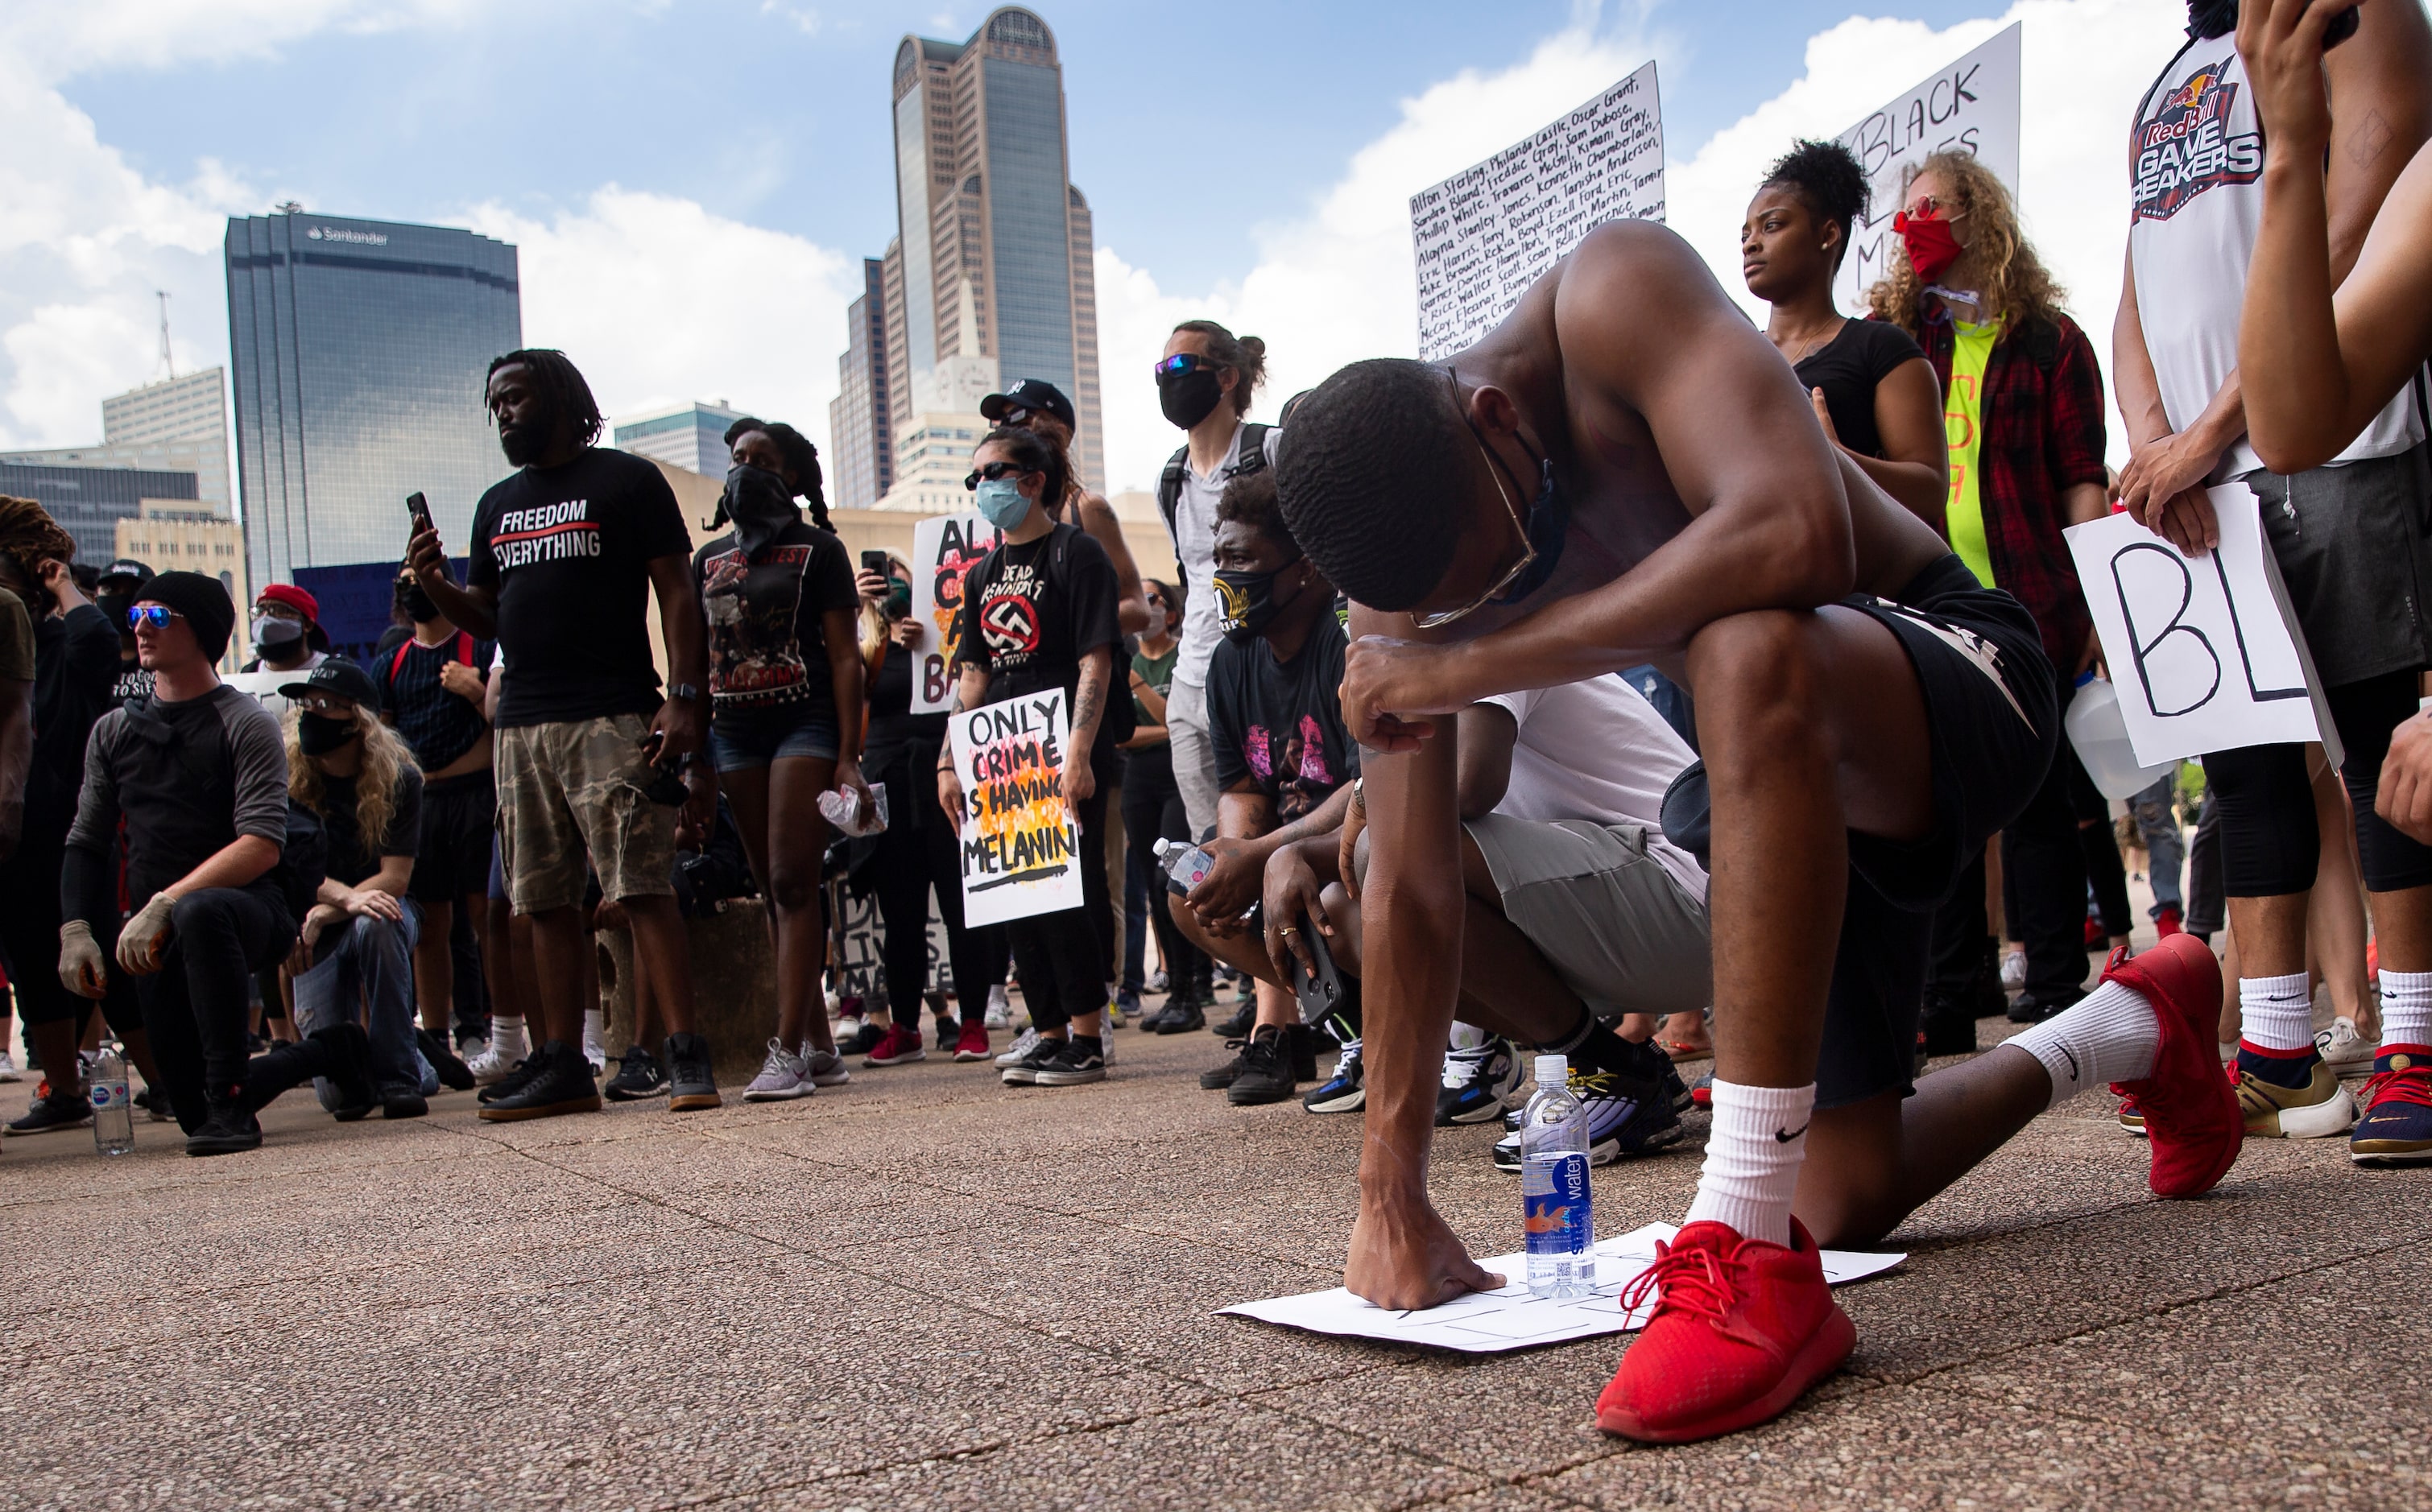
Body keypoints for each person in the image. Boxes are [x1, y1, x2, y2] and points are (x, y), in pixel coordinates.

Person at [1272, 218, 2242, 1443]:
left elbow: (1796, 532)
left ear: (1497, 421)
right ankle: (2134, 1021)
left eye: (1492, 575)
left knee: (1746, 634)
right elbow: (1409, 887)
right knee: (1843, 1190)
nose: (1475, 607)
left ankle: (1742, 1247)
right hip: (1777, 785)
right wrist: (1388, 1192)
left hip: (1950, 671)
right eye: (1448, 607)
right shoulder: (1406, 543)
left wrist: (1465, 654)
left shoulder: (1616, 297)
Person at [2126, 0, 2432, 1162]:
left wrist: (2214, 425)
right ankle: (2277, 1047)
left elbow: (2365, 220)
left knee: (2380, 743)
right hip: (2210, 481)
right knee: (2248, 770)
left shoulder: (2361, 12)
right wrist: (2158, 442)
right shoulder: (2167, 78)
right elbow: (2137, 283)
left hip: (2345, 445)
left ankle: (2413, 1036)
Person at [406, 348, 722, 1119]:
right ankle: (561, 1064)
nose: (503, 413)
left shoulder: (625, 480)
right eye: (495, 404)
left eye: (514, 397)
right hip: (522, 725)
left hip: (610, 710)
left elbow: (677, 590)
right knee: (540, 899)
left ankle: (682, 1053)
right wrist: (439, 585)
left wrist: (685, 698)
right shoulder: (495, 505)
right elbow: (492, 616)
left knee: (641, 883)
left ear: (556, 396)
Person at [1866, 150, 2120, 1048]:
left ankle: (2052, 981)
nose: (1911, 226)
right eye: (1903, 215)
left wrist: (2095, 600)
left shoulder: (2051, 340)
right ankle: (1949, 992)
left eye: (1929, 208)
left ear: (1977, 215)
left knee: (2042, 798)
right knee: (1941, 801)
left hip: (2031, 596)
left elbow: (2080, 479)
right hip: (1927, 601)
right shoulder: (1900, 339)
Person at [1282, 672, 1710, 1147]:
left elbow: (1464, 786)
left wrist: (1368, 777)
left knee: (1398, 855)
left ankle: (1605, 1072)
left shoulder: (1482, 617)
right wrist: (1287, 854)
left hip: (1687, 906)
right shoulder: (1429, 647)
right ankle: (1613, 1066)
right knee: (1346, 915)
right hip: (1628, 915)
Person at [57, 572, 377, 1155]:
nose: (140, 630)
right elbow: (86, 839)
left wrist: (164, 902)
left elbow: (261, 843)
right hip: (159, 930)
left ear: (199, 630)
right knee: (190, 1110)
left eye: (156, 618)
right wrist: (76, 927)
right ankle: (331, 1050)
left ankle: (235, 1103)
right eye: (134, 618)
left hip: (251, 908)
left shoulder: (242, 721)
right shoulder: (114, 731)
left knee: (202, 912)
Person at [938, 426, 1123, 1089]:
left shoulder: (1079, 555)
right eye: (976, 477)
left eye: (994, 472)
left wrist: (1078, 753)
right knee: (1013, 891)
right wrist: (948, 761)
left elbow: (1094, 657)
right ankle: (1046, 1031)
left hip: (1062, 744)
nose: (982, 487)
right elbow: (973, 676)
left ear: (1032, 479)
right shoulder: (981, 574)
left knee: (1065, 892)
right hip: (1000, 754)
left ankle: (1085, 1034)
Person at [1168, 472, 1359, 1105]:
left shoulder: (1348, 638)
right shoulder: (1231, 660)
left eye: (1242, 559)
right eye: (1219, 558)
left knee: (1312, 875)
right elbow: (1244, 787)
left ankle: (1359, 1019)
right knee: (1188, 885)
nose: (1226, 577)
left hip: (1349, 845)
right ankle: (1313, 1019)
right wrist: (1231, 862)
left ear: (1304, 567)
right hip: (1281, 847)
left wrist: (1268, 853)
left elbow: (1373, 785)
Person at [691, 419, 868, 1100]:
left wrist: (848, 755)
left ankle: (787, 1050)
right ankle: (820, 1045)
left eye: (761, 459)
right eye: (737, 458)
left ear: (790, 477)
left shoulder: (819, 551)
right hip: (735, 731)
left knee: (795, 882)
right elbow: (700, 656)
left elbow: (846, 656)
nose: (745, 468)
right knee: (772, 889)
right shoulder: (708, 558)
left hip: (806, 721)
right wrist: (698, 761)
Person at [0, 499, 172, 1132]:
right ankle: (66, 1090)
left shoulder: (65, 638)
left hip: (75, 823)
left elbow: (102, 638)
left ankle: (163, 1081)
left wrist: (60, 581)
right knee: (29, 958)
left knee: (102, 951)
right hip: (15, 833)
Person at [1739, 139, 1945, 523]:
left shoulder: (1881, 346)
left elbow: (1930, 494)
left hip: (1852, 578)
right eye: (1746, 234)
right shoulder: (1733, 361)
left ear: (1828, 235)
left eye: (1772, 226)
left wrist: (1839, 461)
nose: (1752, 243)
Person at [276, 659, 436, 1119]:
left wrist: (335, 907)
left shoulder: (399, 778)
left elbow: (395, 878)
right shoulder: (286, 775)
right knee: (341, 1097)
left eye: (326, 705)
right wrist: (334, 903)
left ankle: (401, 1077)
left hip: (370, 911)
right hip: (312, 923)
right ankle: (411, 1053)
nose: (311, 714)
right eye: (307, 704)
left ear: (359, 721)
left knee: (379, 922)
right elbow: (285, 866)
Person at [853, 551, 994, 1066]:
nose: (890, 588)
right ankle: (904, 1025)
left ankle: (973, 1021)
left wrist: (929, 643)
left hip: (943, 776)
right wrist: (866, 622)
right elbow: (846, 692)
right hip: (889, 779)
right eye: (881, 580)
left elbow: (971, 681)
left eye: (901, 581)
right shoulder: (860, 641)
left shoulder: (942, 637)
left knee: (961, 905)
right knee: (901, 913)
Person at [1152, 320, 1280, 853]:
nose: (1167, 379)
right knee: (1211, 848)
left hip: (1262, 676)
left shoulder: (1271, 450)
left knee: (1279, 826)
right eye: (1160, 370)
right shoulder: (1171, 480)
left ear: (1226, 377)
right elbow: (1192, 577)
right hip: (1189, 688)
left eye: (1180, 366)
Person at [381, 569, 491, 1089]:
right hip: (421, 800)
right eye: (404, 580)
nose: (412, 588)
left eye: (420, 578)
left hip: (476, 793)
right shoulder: (393, 662)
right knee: (430, 928)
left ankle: (493, 1028)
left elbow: (505, 716)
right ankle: (437, 1038)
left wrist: (475, 691)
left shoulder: (479, 646)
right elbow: (380, 739)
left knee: (485, 915)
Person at [1127, 579, 1214, 1033]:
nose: (1144, 607)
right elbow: (1125, 734)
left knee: (1173, 875)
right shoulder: (1126, 658)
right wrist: (1171, 727)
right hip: (1139, 779)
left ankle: (1194, 984)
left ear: (1173, 613)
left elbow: (1172, 716)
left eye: (1153, 599)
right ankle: (1179, 990)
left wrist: (1140, 687)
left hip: (1180, 776)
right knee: (1150, 885)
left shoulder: (1184, 659)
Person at [94, 558, 155, 703]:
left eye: (136, 590)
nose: (122, 598)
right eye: (111, 590)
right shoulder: (84, 657)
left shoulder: (172, 660)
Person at [242, 583, 330, 676]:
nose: (266, 618)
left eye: (279, 610)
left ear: (307, 625)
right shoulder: (249, 672)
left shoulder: (334, 672)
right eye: (260, 611)